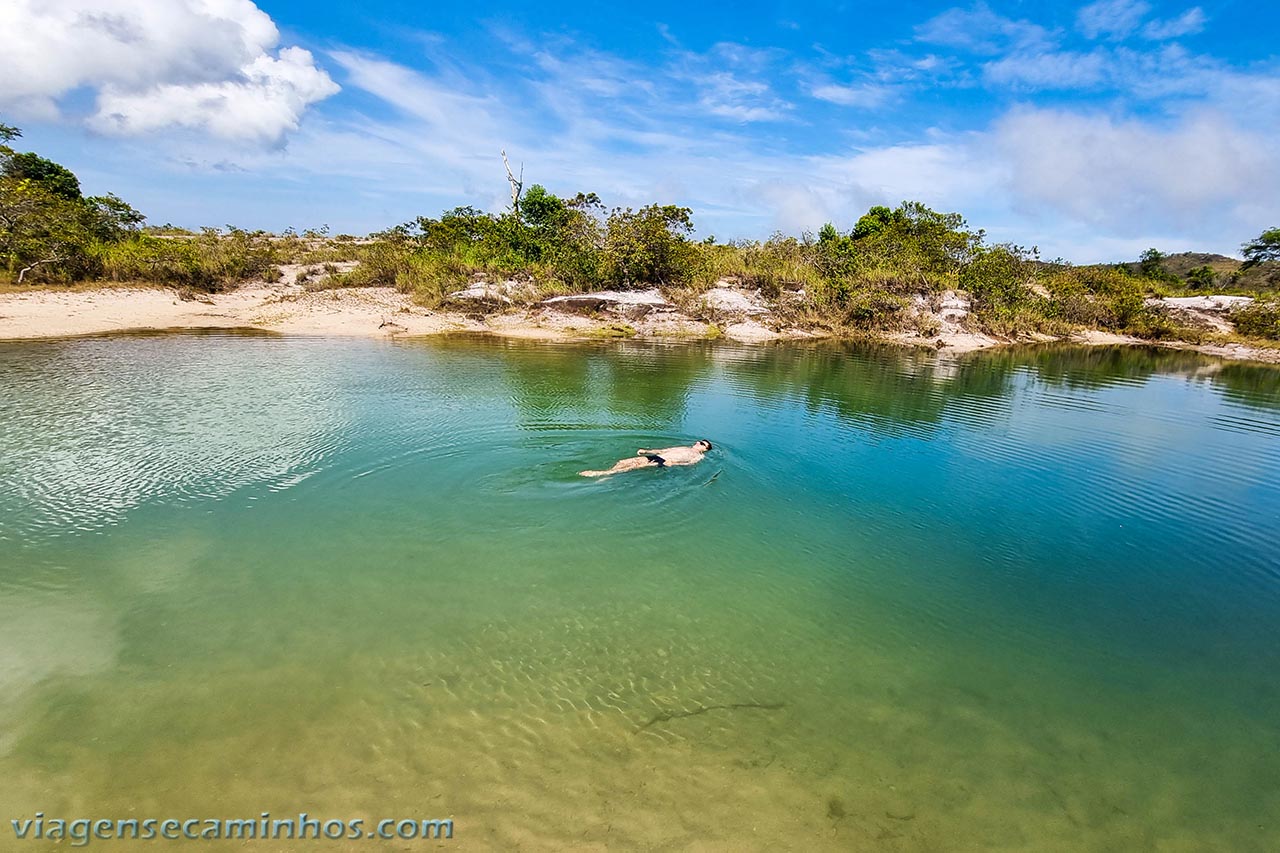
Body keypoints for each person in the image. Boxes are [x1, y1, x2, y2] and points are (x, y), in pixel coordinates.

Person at [579, 439, 714, 477]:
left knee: (634, 466)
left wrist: (673, 463)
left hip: (666, 462)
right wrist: (646, 451)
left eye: (702, 444)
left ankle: (601, 473)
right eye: (699, 441)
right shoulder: (684, 447)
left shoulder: (698, 457)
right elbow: (663, 450)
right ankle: (609, 473)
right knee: (623, 461)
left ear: (705, 449)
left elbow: (688, 464)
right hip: (658, 456)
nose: (698, 443)